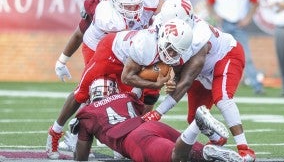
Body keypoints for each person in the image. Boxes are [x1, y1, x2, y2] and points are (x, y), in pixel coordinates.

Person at [46, 19, 193, 159]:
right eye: (171, 49)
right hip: (110, 53)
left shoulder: (174, 47)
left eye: (176, 51)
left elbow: (173, 69)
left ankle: (126, 141)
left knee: (133, 101)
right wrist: (156, 85)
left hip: (132, 62)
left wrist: (172, 80)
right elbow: (126, 77)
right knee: (81, 93)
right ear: (162, 37)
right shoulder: (145, 45)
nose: (173, 54)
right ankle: (55, 131)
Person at [137, 0, 256, 162]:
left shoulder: (199, 38)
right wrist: (170, 75)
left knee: (222, 98)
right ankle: (217, 139)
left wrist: (158, 112)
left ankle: (245, 149)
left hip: (226, 56)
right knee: (194, 119)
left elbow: (185, 82)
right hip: (201, 72)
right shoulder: (160, 22)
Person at [73, 77, 243, 162]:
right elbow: (145, 107)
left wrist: (79, 132)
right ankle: (211, 146)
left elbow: (81, 157)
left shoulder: (87, 113)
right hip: (152, 127)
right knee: (195, 154)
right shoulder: (125, 97)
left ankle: (197, 124)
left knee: (178, 157)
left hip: (135, 140)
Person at [206, 0, 265, 95]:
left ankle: (257, 86)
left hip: (239, 25)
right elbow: (208, 3)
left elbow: (256, 3)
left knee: (246, 57)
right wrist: (215, 16)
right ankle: (210, 85)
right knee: (217, 56)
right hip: (223, 25)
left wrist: (248, 18)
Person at [55, 0, 103, 82]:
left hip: (125, 54)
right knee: (98, 87)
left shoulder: (135, 6)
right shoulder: (96, 6)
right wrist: (62, 61)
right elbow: (79, 34)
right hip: (97, 51)